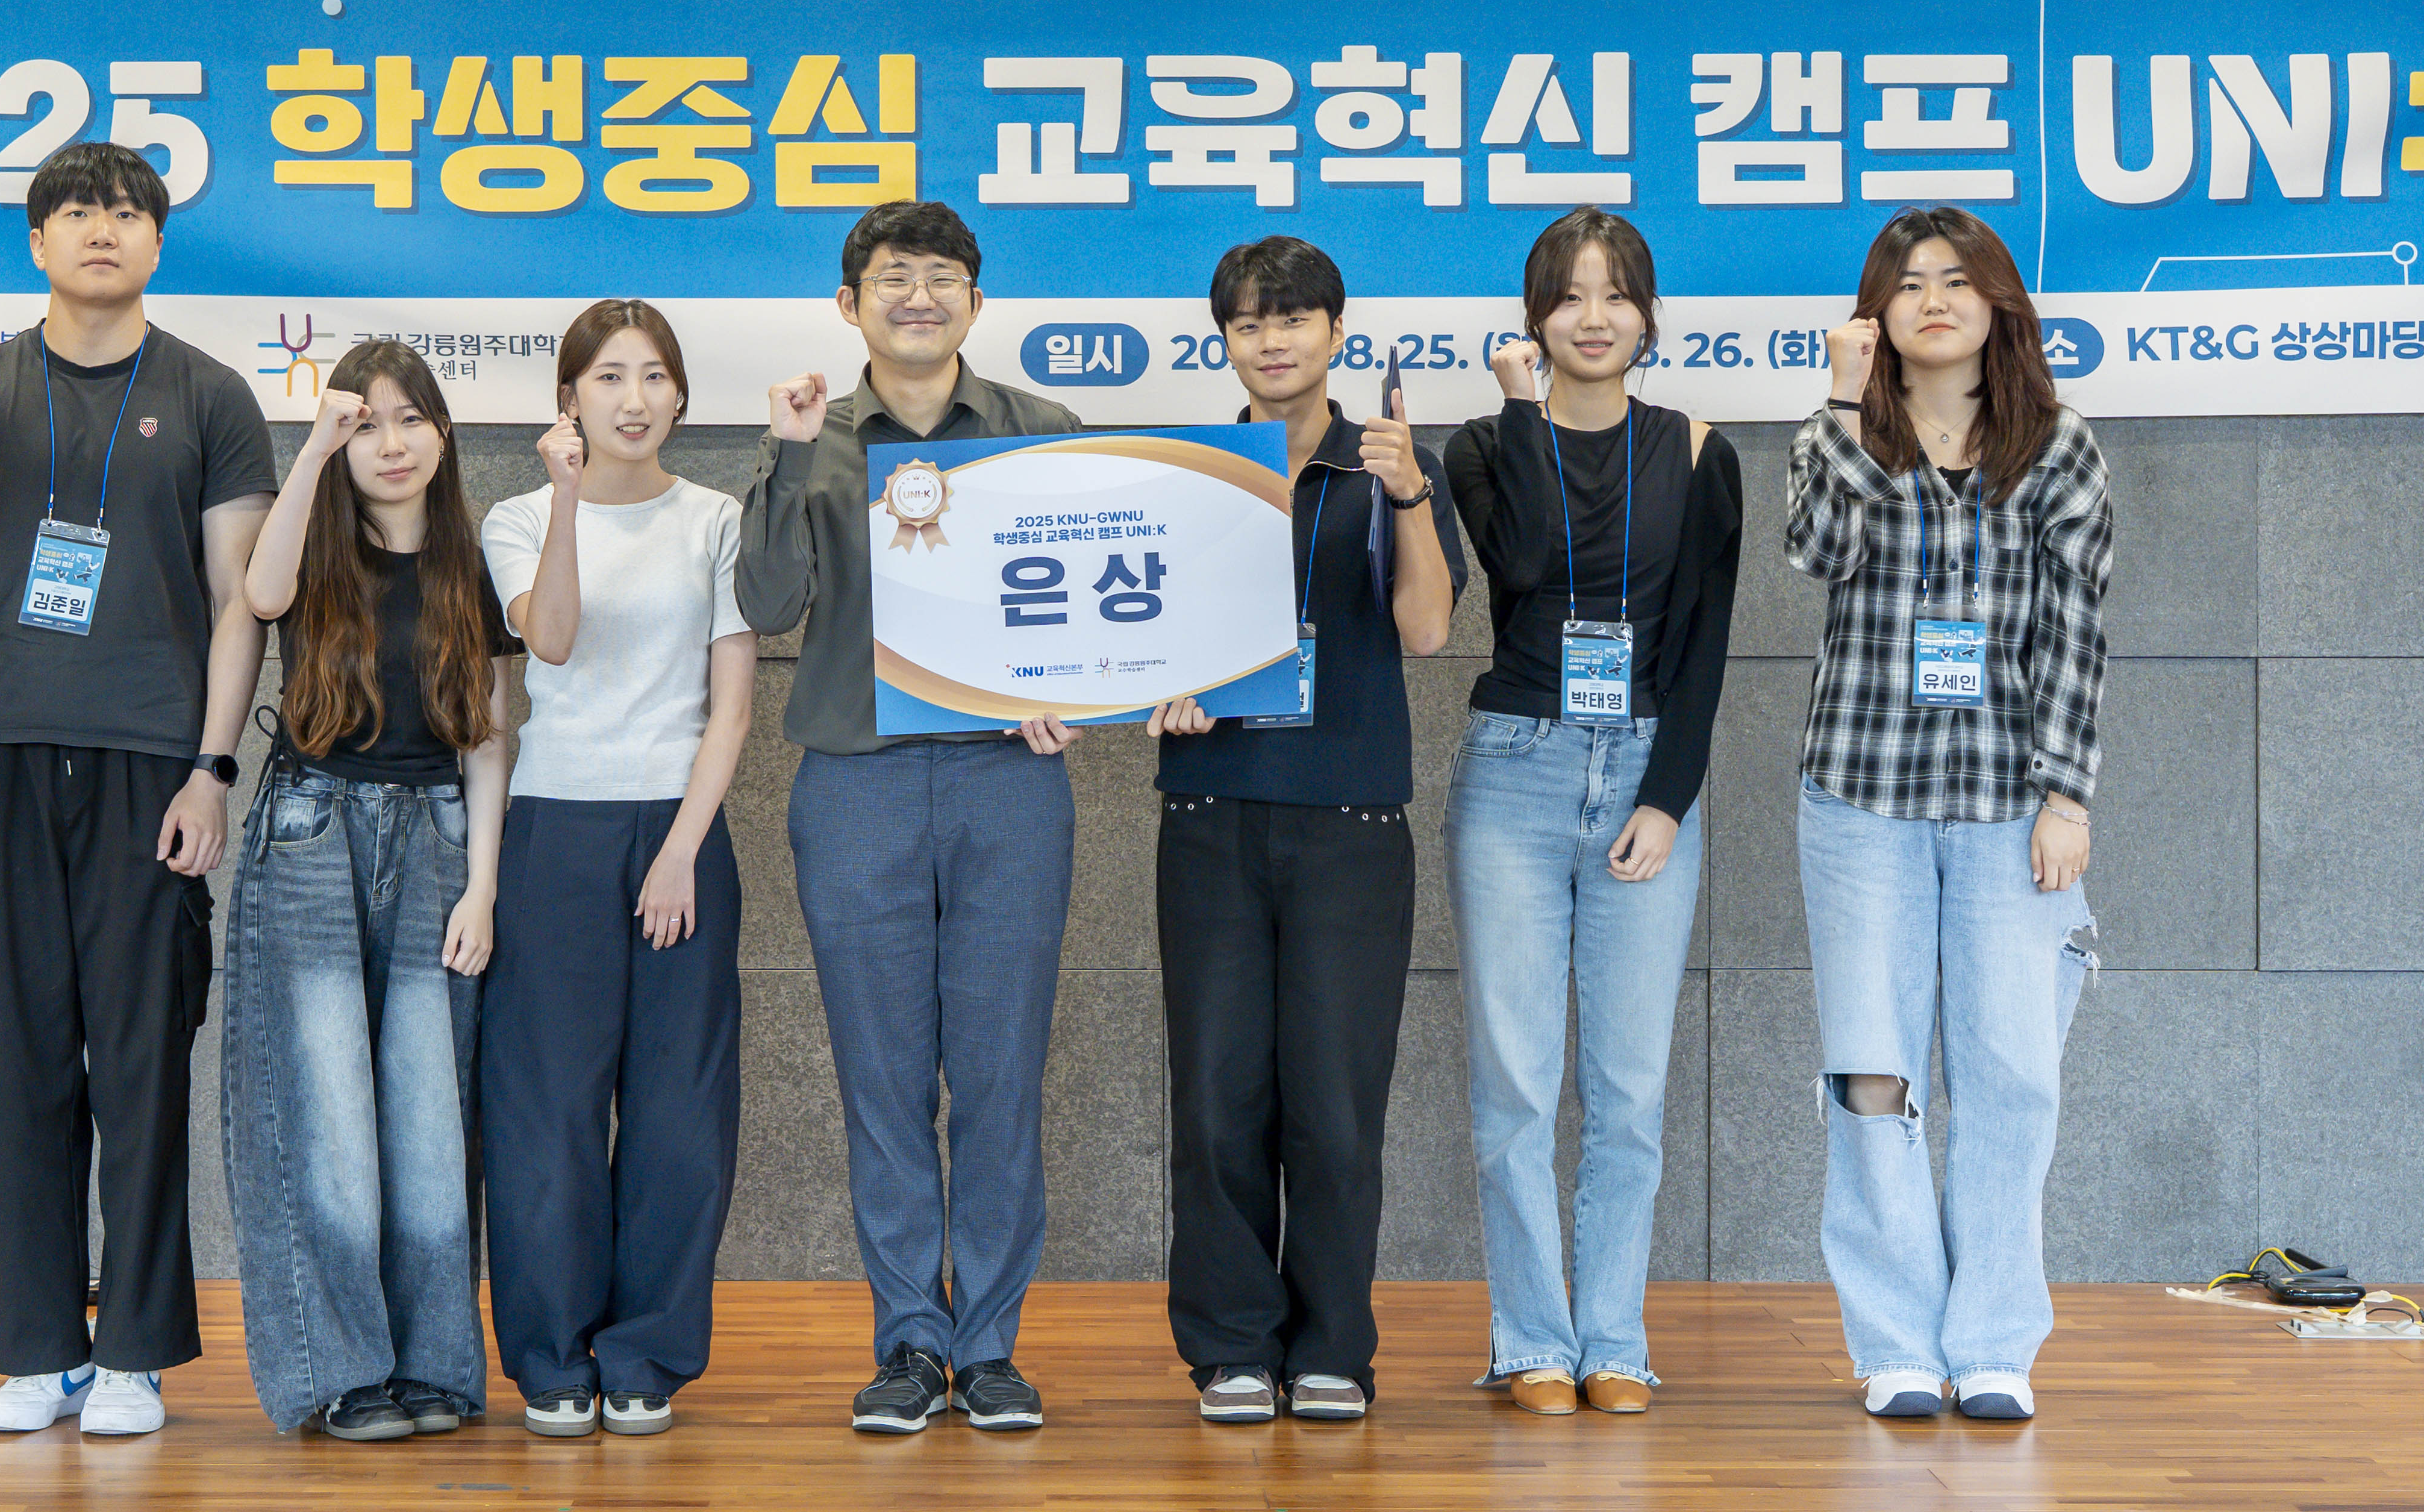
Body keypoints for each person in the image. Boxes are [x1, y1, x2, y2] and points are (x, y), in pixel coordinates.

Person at [0, 139, 273, 1438]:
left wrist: (212, 768)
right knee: (19, 1058)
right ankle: (38, 1348)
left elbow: (239, 602)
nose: (100, 229)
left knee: (141, 1059)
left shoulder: (210, 393)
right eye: (74, 211)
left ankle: (136, 1354)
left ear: (157, 241)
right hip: (5, 746)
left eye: (124, 212)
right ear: (37, 242)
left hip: (148, 761)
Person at [737, 199, 1084, 1435]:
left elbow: (1088, 606)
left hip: (1007, 782)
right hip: (857, 783)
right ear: (850, 304)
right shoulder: (814, 437)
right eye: (893, 276)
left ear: (975, 301)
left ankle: (986, 1347)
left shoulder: (1043, 431)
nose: (918, 295)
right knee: (882, 1081)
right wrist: (787, 456)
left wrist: (1071, 690)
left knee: (998, 1075)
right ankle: (906, 1342)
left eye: (941, 276)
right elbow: (766, 603)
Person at [1786, 205, 2112, 1425]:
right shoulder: (1841, 434)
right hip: (1859, 796)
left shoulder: (2057, 447)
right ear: (1876, 310)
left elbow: (2074, 633)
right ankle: (1892, 1343)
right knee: (1872, 1074)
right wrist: (1841, 399)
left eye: (1956, 280)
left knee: (2011, 1076)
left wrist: (2066, 794)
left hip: (2005, 803)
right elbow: (1818, 551)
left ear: (1996, 304)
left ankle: (1991, 1341)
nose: (1933, 299)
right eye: (1908, 282)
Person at [1146, 237, 1462, 1425]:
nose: (1269, 340)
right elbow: (1141, 631)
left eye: (1291, 319)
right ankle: (1230, 1344)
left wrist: (1408, 493)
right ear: (1222, 340)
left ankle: (1332, 1343)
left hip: (1348, 818)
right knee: (1215, 1094)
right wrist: (1163, 688)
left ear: (1336, 330)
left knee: (1333, 1100)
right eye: (1246, 322)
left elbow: (1425, 631)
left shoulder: (1383, 460)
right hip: (1210, 810)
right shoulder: (1190, 472)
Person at [1440, 208, 1743, 1417]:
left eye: (1614, 293)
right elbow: (1517, 566)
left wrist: (1667, 799)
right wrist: (1521, 409)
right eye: (1567, 296)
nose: (1592, 316)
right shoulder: (1482, 443)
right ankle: (1530, 1338)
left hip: (1645, 772)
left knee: (1628, 1089)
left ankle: (1613, 1337)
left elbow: (1705, 643)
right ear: (1533, 319)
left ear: (1647, 316)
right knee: (1515, 1082)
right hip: (1512, 770)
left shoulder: (1698, 448)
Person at [222, 339, 521, 1443]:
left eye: (412, 420)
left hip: (438, 835)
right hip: (312, 830)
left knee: (430, 1118)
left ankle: (434, 1364)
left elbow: (488, 738)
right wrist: (312, 452)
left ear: (444, 434)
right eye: (368, 424)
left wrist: (483, 886)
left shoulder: (470, 568)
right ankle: (342, 1372)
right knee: (328, 1117)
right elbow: (260, 593)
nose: (391, 444)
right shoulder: (314, 549)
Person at [478, 301, 757, 1443]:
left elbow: (730, 705)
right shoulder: (514, 515)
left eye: (652, 377)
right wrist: (564, 504)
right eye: (606, 378)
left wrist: (682, 848)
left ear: (680, 396)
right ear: (569, 400)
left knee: (680, 1114)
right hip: (554, 828)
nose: (632, 399)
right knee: (544, 1109)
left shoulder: (716, 518)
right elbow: (546, 639)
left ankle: (646, 1354)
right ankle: (551, 1357)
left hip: (680, 833)